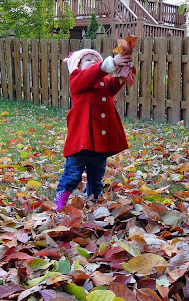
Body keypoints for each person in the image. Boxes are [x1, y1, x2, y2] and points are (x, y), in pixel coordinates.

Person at [55, 48, 133, 210]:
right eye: (88, 60)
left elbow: (117, 82)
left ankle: (93, 203)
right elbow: (90, 75)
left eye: (95, 59)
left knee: (96, 177)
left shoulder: (104, 83)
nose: (93, 62)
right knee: (72, 175)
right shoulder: (76, 80)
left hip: (99, 142)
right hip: (81, 142)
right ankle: (59, 204)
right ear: (77, 65)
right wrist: (109, 63)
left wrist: (125, 66)